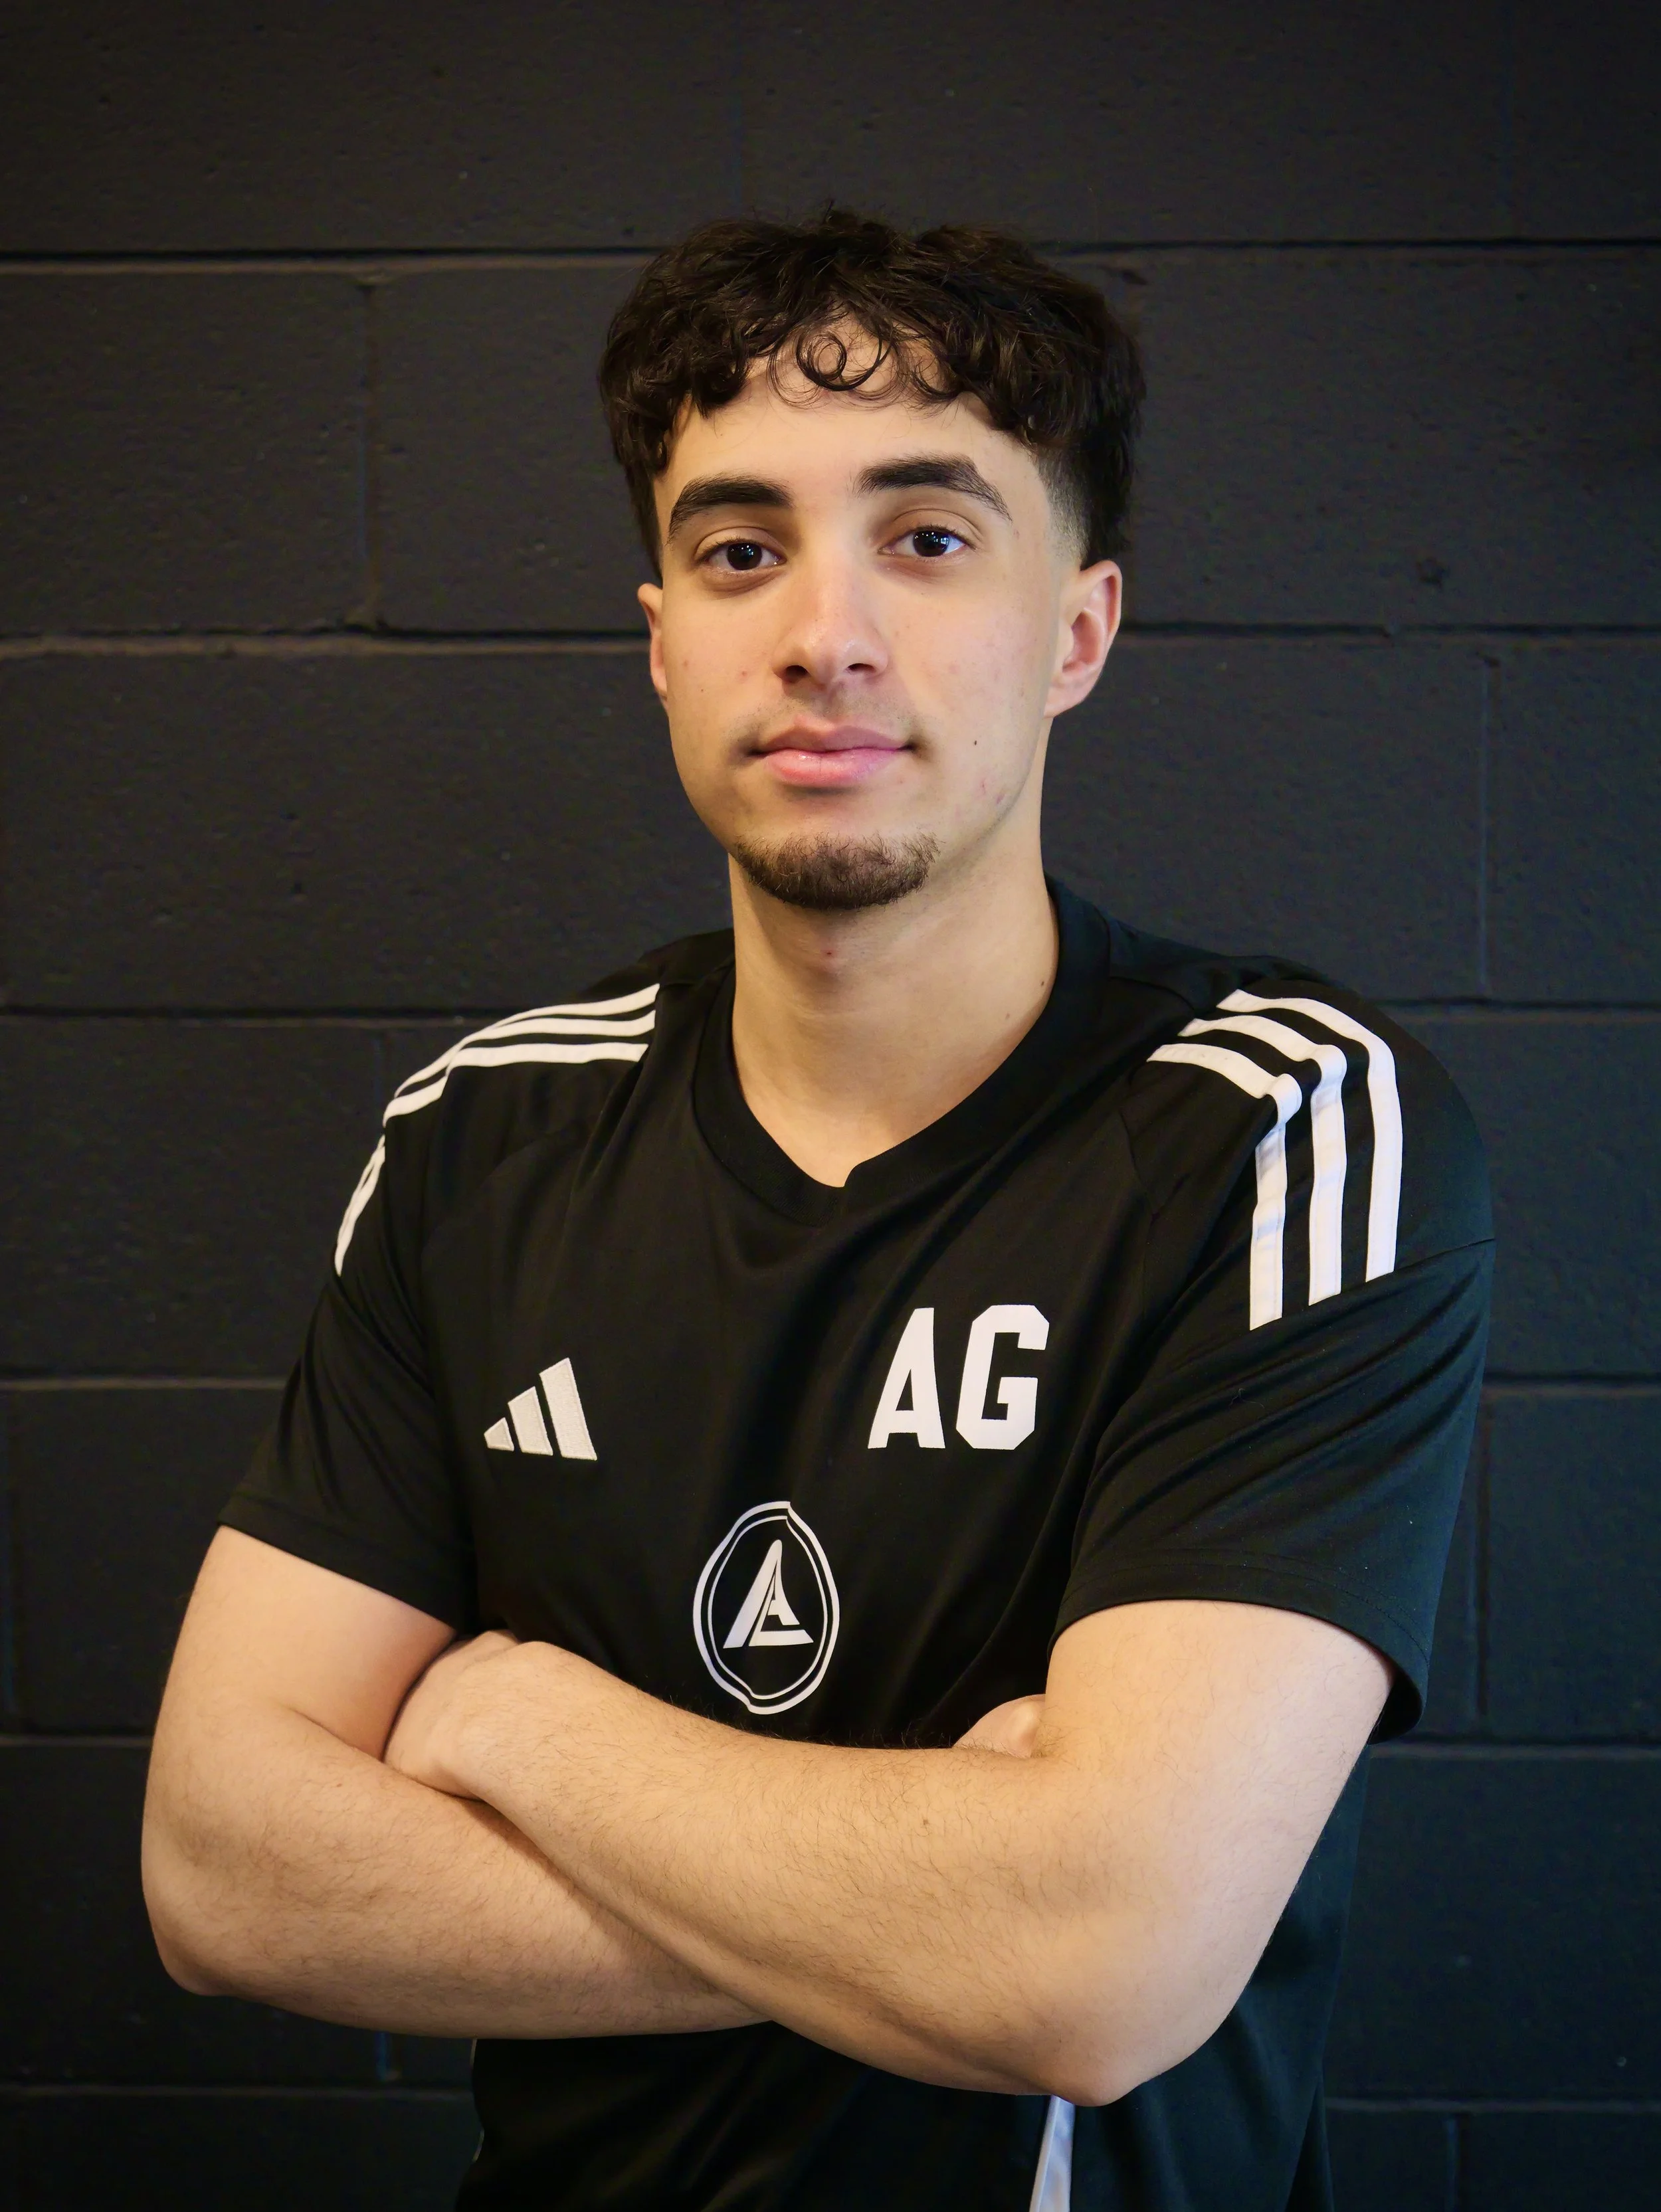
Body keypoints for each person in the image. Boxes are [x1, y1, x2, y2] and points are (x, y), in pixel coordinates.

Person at [142, 210, 1491, 2211]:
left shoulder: (1277, 1127)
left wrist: (519, 1724)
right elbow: (222, 1874)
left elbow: (1097, 1965)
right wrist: (938, 1894)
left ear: (1078, 632)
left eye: (929, 538)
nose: (822, 630)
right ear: (665, 634)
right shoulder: (483, 1133)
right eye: (739, 546)